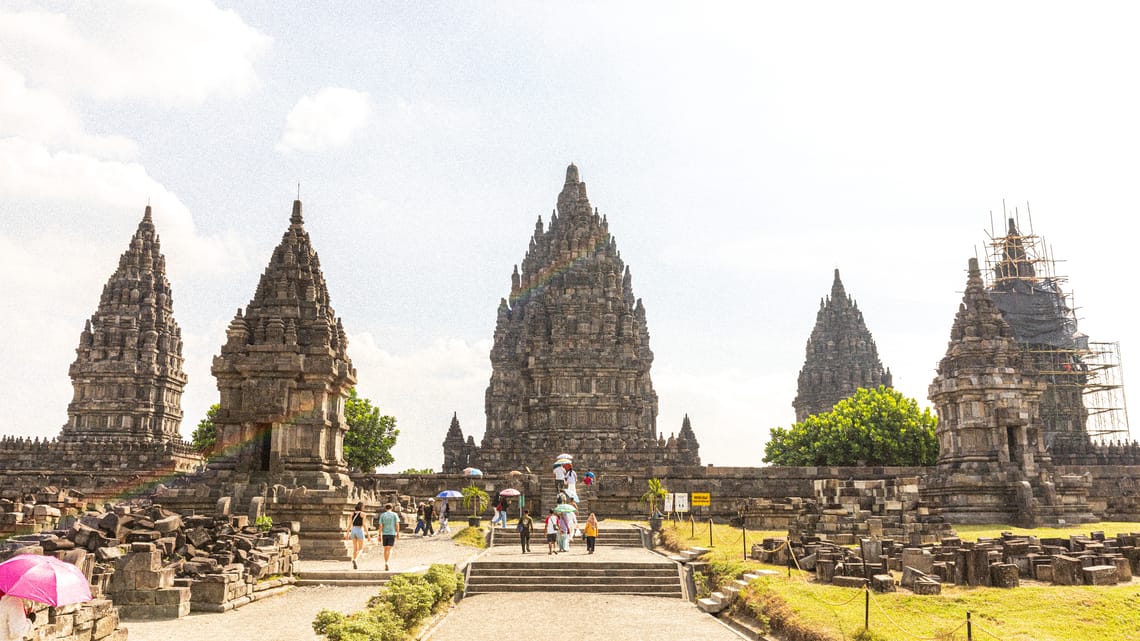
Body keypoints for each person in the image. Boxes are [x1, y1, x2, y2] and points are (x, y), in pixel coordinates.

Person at [377, 502, 400, 571]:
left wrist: (379, 535)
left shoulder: (382, 515)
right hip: (392, 533)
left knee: (385, 549)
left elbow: (381, 526)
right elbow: (397, 524)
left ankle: (386, 562)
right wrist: (398, 532)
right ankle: (388, 562)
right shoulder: (394, 514)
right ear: (392, 508)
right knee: (389, 549)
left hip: (384, 534)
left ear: (385, 508)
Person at [346, 501, 368, 570]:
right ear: (362, 507)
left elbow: (349, 524)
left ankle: (354, 561)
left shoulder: (352, 513)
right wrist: (368, 534)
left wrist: (347, 534)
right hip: (359, 530)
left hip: (353, 530)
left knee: (355, 549)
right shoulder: (363, 514)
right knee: (361, 548)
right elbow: (364, 525)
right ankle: (355, 559)